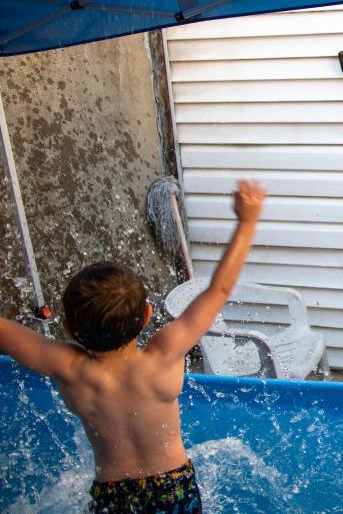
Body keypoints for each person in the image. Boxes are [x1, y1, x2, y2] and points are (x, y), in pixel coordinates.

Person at [0, 180, 267, 514]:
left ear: (68, 329)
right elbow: (219, 289)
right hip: (174, 487)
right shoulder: (163, 354)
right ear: (147, 317)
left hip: (113, 496)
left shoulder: (70, 369)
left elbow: (5, 334)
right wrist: (248, 221)